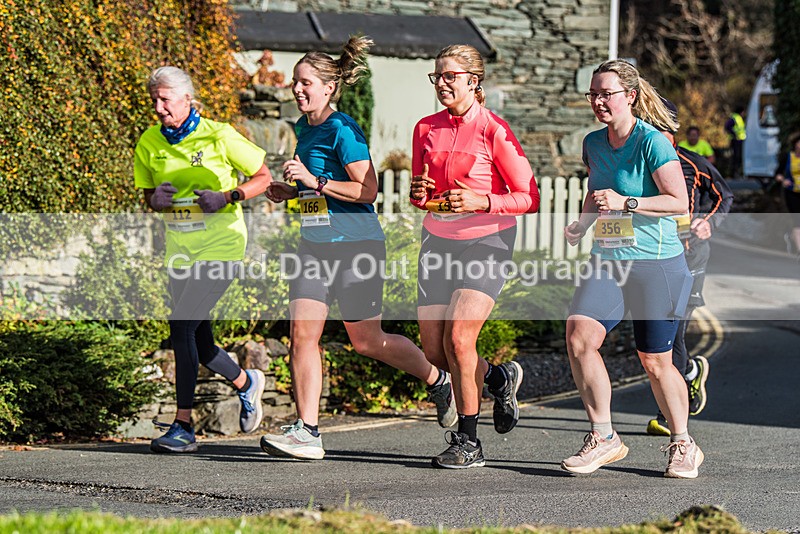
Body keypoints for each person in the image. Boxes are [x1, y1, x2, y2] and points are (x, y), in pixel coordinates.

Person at [260, 36, 456, 460]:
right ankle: (308, 431)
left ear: (329, 88)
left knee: (366, 341)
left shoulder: (342, 129)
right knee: (301, 335)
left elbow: (367, 191)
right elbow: (319, 192)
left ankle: (438, 380)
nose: (297, 89)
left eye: (306, 82)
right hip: (314, 246)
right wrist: (291, 191)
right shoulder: (304, 128)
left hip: (356, 246)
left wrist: (313, 181)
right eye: (295, 81)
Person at [562, 59, 703, 478]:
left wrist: (628, 202)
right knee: (579, 336)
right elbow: (595, 191)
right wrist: (582, 225)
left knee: (655, 361)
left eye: (606, 94)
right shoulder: (593, 142)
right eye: (593, 94)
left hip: (656, 264)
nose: (598, 101)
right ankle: (603, 436)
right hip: (608, 258)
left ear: (631, 96)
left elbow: (678, 201)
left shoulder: (652, 142)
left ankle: (683, 443)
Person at [409, 44, 540, 469]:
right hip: (438, 239)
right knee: (436, 352)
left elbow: (530, 197)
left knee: (460, 340)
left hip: (487, 240)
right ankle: (499, 377)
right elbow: (421, 194)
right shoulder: (425, 128)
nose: (442, 83)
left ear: (473, 81)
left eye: (450, 76)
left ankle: (468, 442)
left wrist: (482, 201)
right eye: (437, 76)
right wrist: (419, 195)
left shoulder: (494, 129)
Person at [134, 66, 273, 453]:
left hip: (221, 246)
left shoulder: (218, 134)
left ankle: (183, 426)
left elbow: (263, 177)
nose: (158, 107)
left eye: (165, 99)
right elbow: (148, 196)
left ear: (187, 99)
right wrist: (155, 200)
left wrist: (227, 197)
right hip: (180, 250)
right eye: (154, 100)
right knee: (200, 339)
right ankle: (247, 382)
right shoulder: (149, 141)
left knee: (180, 326)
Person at [647, 102, 733, 436]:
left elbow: (724, 196)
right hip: (652, 257)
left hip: (690, 255)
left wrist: (708, 223)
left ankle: (667, 415)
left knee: (675, 331)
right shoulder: (640, 161)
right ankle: (690, 374)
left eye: (658, 127)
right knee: (653, 334)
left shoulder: (692, 163)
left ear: (671, 130)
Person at [774, 132, 800, 257]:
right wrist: (783, 180)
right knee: (797, 220)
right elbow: (777, 174)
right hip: (792, 193)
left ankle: (791, 237)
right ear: (795, 144)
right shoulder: (788, 157)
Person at [724, 106, 747, 178]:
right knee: (736, 157)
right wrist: (734, 134)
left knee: (738, 157)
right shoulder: (735, 118)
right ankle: (734, 173)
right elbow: (727, 126)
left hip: (739, 140)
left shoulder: (738, 118)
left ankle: (736, 173)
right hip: (736, 141)